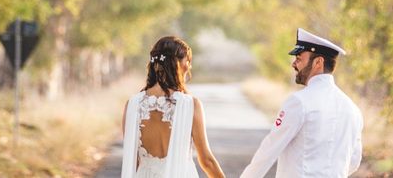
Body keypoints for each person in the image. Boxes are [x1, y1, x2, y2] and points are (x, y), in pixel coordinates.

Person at [240, 28, 364, 178]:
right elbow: (354, 160)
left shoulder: (299, 102)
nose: (294, 64)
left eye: (299, 59)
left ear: (318, 62)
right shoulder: (352, 109)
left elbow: (269, 150)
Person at [121, 36, 225, 178]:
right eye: (188, 61)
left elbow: (133, 160)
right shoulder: (190, 105)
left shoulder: (132, 105)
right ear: (179, 64)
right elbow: (207, 161)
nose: (189, 66)